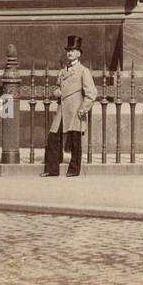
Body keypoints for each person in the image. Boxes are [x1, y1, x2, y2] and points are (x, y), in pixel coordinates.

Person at [42, 35, 97, 178]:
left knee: (75, 141)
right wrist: (57, 91)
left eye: (73, 50)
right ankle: (52, 170)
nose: (70, 53)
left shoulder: (83, 71)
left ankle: (74, 169)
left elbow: (91, 93)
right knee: (53, 138)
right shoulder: (62, 70)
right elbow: (57, 87)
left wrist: (84, 107)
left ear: (79, 53)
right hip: (62, 110)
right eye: (68, 50)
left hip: (75, 110)